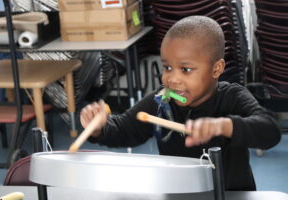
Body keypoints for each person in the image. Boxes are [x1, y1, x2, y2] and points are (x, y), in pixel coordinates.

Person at [80, 15, 281, 191]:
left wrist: (224, 126)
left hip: (230, 194)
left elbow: (269, 130)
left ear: (216, 69)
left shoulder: (232, 97)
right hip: (180, 193)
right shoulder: (162, 100)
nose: (172, 79)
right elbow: (124, 129)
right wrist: (99, 128)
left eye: (185, 69)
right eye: (167, 67)